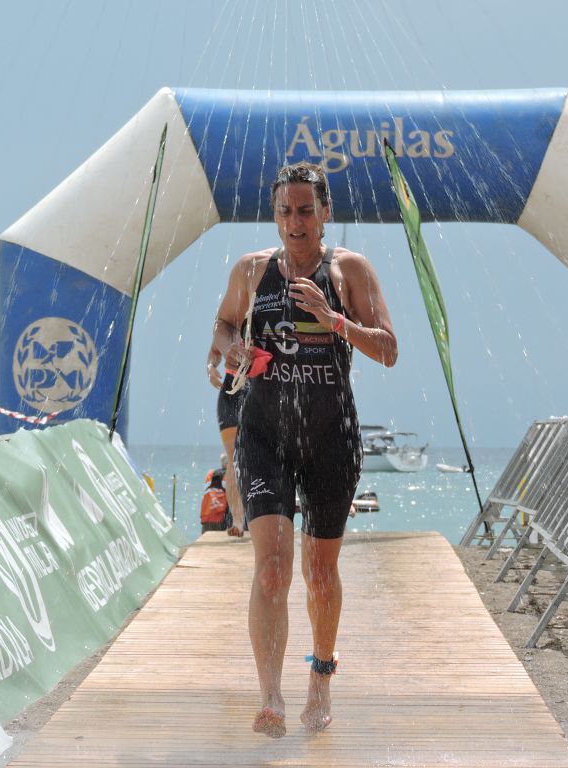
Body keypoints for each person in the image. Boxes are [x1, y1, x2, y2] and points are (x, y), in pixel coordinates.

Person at [211, 161, 397, 737]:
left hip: (331, 440)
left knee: (319, 573)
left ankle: (319, 676)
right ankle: (271, 696)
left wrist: (333, 319)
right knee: (271, 571)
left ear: (325, 214)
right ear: (274, 214)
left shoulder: (349, 272)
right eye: (286, 211)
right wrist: (233, 349)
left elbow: (388, 349)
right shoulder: (250, 271)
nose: (295, 222)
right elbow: (221, 326)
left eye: (306, 211)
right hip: (265, 436)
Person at [207, 346, 247, 537]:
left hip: (258, 388)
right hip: (230, 392)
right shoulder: (226, 318)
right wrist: (211, 368)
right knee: (233, 458)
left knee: (254, 455)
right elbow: (215, 351)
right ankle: (238, 521)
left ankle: (258, 517)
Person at [199, 457, 232, 533]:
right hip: (221, 518)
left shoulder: (210, 475)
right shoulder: (231, 475)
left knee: (205, 542)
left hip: (207, 516)